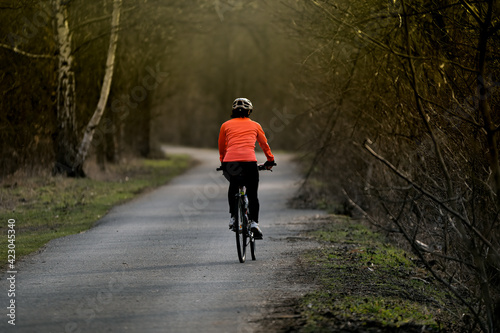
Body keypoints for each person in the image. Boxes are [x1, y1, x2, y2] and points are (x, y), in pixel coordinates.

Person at [218, 98, 275, 239]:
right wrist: (270, 160)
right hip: (250, 162)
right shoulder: (255, 125)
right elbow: (264, 144)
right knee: (252, 193)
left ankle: (233, 217)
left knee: (233, 186)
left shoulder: (225, 125)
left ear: (233, 111)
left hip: (230, 163)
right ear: (249, 111)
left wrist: (223, 161)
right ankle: (254, 223)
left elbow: (222, 146)